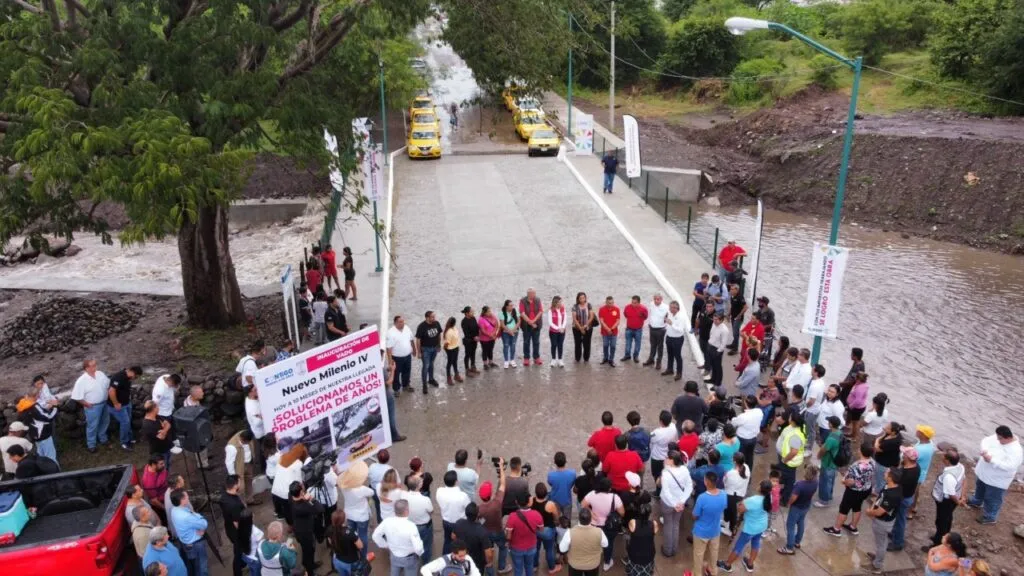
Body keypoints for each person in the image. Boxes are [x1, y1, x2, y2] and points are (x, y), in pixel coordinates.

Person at [967, 425, 1022, 524]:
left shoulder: (1016, 451)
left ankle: (990, 516)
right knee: (979, 488)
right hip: (984, 472)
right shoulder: (998, 437)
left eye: (1000, 438)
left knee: (992, 498)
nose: (997, 439)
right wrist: (984, 450)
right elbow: (985, 440)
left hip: (996, 480)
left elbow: (1010, 466)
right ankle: (977, 501)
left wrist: (991, 460)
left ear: (1008, 438)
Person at [824, 442, 876, 537]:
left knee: (844, 509)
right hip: (866, 489)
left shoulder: (856, 466)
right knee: (857, 507)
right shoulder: (872, 462)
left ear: (860, 451)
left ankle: (836, 529)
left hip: (854, 491)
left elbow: (851, 482)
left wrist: (844, 482)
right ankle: (853, 527)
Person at [718, 479, 770, 573]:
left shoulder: (752, 500)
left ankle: (727, 565)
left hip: (750, 528)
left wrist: (741, 503)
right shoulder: (769, 498)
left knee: (739, 546)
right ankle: (750, 564)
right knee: (756, 544)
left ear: (759, 488)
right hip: (762, 526)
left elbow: (740, 510)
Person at [581, 477, 624, 571]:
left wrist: (591, 512)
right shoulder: (614, 497)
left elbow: (583, 504)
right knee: (609, 544)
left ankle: (593, 558)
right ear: (609, 488)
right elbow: (622, 512)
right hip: (610, 526)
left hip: (594, 524)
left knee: (594, 541)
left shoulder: (592, 494)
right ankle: (607, 562)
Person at [864, 467, 902, 574]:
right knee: (880, 541)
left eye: (887, 473)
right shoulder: (889, 486)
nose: (884, 473)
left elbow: (881, 511)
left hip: (883, 523)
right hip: (880, 520)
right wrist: (872, 508)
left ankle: (877, 565)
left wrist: (869, 512)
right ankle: (877, 557)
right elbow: (879, 498)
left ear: (890, 478)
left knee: (882, 543)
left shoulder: (892, 495)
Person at [375, 499, 426, 576]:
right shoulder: (411, 526)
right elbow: (418, 548)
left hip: (394, 555)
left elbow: (375, 536)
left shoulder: (387, 521)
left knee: (394, 572)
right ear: (406, 511)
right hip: (409, 558)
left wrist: (385, 545)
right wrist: (420, 553)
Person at [70, 359, 111, 453]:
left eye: (95, 365)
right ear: (86, 368)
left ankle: (103, 439)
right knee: (92, 426)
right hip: (93, 407)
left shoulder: (100, 374)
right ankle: (91, 444)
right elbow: (76, 396)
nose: (95, 367)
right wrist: (86, 404)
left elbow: (108, 384)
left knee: (105, 421)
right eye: (92, 366)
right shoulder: (81, 381)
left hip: (104, 403)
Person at [658, 450, 692, 558]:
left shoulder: (666, 473)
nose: (666, 459)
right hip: (680, 503)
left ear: (672, 461)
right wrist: (681, 501)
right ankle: (674, 548)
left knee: (668, 525)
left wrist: (674, 504)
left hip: (668, 503)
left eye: (668, 458)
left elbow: (666, 491)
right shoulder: (685, 470)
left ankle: (668, 550)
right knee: (675, 525)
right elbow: (689, 487)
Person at [692, 471, 728, 576]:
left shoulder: (702, 498)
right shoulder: (723, 494)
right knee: (714, 554)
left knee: (698, 555)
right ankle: (712, 571)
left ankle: (697, 574)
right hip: (715, 531)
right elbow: (724, 507)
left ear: (706, 482)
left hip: (701, 532)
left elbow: (695, 516)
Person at [479, 459, 509, 575]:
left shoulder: (479, 509)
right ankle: (501, 567)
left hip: (486, 533)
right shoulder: (497, 503)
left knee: (488, 552)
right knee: (503, 547)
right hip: (498, 531)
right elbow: (503, 484)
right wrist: (501, 467)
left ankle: (489, 570)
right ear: (491, 494)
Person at [888, 446, 921, 552]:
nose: (902, 455)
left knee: (900, 521)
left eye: (904, 454)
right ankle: (894, 533)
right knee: (898, 519)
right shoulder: (916, 467)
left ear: (907, 457)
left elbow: (897, 483)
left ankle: (898, 543)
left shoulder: (906, 473)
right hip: (908, 496)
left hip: (903, 499)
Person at [170, 489, 209, 576]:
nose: (188, 497)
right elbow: (204, 524)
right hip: (196, 544)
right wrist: (198, 516)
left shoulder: (174, 510)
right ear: (182, 500)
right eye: (186, 496)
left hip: (186, 542)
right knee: (202, 567)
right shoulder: (186, 516)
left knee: (194, 566)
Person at [17, 384, 59, 464]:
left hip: (34, 434)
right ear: (36, 395)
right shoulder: (34, 407)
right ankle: (56, 474)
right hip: (43, 434)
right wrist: (55, 407)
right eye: (39, 394)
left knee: (41, 457)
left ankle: (44, 473)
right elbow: (48, 417)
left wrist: (45, 409)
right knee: (51, 458)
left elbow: (37, 415)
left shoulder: (22, 405)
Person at [340, 460, 374, 558]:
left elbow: (340, 476)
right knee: (362, 535)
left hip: (349, 514)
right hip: (362, 516)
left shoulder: (343, 486)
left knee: (352, 534)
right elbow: (372, 492)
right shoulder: (361, 489)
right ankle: (363, 555)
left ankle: (354, 551)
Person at [559, 507, 607, 576]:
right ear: (591, 519)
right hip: (593, 564)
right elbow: (605, 544)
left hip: (575, 565)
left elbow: (562, 549)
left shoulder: (570, 532)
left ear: (579, 519)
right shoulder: (599, 531)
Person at [290, 481, 324, 575]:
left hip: (299, 529)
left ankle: (309, 564)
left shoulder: (291, 497)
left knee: (307, 550)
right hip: (305, 533)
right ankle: (310, 571)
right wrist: (312, 499)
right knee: (308, 552)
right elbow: (320, 509)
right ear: (301, 492)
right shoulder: (303, 506)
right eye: (302, 487)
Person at [506, 492, 543, 576]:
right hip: (531, 546)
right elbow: (541, 529)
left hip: (516, 548)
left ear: (516, 502)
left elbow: (509, 535)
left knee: (518, 568)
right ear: (528, 502)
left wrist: (508, 543)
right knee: (529, 566)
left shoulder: (512, 516)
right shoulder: (537, 515)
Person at [107, 365, 141, 450]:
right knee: (125, 422)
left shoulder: (128, 378)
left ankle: (130, 438)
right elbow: (111, 391)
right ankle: (124, 442)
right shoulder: (118, 377)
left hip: (126, 403)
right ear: (132, 372)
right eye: (136, 376)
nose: (135, 378)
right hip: (118, 406)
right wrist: (116, 403)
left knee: (128, 421)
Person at [218, 475, 247, 576]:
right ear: (235, 485)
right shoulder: (234, 505)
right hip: (236, 532)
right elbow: (237, 523)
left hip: (229, 528)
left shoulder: (224, 495)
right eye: (239, 482)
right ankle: (237, 571)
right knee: (238, 552)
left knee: (238, 548)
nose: (240, 483)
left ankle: (243, 563)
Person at [438, 470, 472, 554]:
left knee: (447, 540)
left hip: (446, 521)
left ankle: (446, 558)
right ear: (456, 481)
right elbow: (468, 507)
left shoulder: (439, 491)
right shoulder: (462, 496)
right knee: (460, 543)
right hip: (459, 524)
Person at [453, 503, 492, 576]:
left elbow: (453, 536)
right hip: (477, 562)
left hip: (462, 557)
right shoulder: (482, 531)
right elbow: (488, 553)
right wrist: (489, 562)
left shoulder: (459, 523)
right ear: (477, 514)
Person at [530, 483, 561, 574]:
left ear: (536, 493)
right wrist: (557, 523)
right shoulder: (550, 504)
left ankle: (535, 566)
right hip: (547, 530)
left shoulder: (531, 500)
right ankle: (552, 568)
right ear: (546, 493)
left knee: (536, 548)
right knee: (549, 549)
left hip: (535, 529)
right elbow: (556, 517)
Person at [776, 410, 806, 504]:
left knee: (789, 480)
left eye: (790, 417)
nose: (788, 418)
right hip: (785, 458)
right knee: (785, 477)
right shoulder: (794, 426)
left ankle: (785, 498)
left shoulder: (795, 436)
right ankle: (784, 491)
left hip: (789, 461)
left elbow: (794, 452)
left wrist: (785, 460)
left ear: (793, 421)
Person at [624, 492, 657, 576]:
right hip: (649, 553)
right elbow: (655, 532)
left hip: (635, 553)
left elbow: (629, 529)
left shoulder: (633, 523)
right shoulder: (654, 524)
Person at [814, 416, 843, 508]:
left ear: (831, 424)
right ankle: (829, 495)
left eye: (829, 422)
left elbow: (823, 450)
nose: (828, 423)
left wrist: (818, 456)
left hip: (828, 463)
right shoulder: (839, 433)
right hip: (834, 462)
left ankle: (824, 501)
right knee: (831, 480)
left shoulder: (831, 439)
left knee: (824, 481)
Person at [909, 424, 936, 519]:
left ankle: (910, 510)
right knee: (916, 490)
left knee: (912, 491)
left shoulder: (920, 449)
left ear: (924, 435)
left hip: (916, 473)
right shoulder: (929, 443)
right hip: (922, 471)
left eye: (919, 431)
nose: (917, 431)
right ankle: (914, 505)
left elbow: (910, 458)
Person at [649, 411, 677, 498]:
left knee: (657, 475)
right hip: (668, 456)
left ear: (661, 421)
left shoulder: (657, 432)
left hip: (657, 457)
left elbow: (651, 440)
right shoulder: (673, 427)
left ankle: (658, 491)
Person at [873, 422, 906, 495]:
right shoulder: (894, 434)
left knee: (881, 479)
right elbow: (883, 437)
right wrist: (882, 436)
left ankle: (878, 492)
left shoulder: (893, 442)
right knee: (880, 478)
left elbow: (877, 448)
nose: (884, 427)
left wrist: (877, 440)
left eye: (887, 428)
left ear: (893, 432)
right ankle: (877, 488)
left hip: (884, 464)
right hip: (888, 460)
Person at [722, 452, 750, 536]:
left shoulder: (731, 473)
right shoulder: (746, 468)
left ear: (734, 462)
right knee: (731, 510)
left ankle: (730, 530)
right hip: (740, 494)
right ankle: (725, 522)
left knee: (731, 511)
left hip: (731, 495)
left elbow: (725, 482)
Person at [225, 429, 256, 504]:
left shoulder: (248, 435)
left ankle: (249, 499)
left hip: (248, 464)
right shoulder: (232, 446)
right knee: (240, 488)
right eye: (245, 443)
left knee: (249, 481)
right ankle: (242, 505)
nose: (247, 444)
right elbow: (229, 462)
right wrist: (233, 475)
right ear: (242, 439)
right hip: (239, 468)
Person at [730, 396, 761, 468]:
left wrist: (733, 417)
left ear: (746, 404)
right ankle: (748, 472)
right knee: (750, 456)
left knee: (740, 457)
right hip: (753, 438)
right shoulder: (759, 412)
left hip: (742, 439)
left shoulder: (743, 416)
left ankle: (740, 472)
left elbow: (734, 423)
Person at [388, 316, 416, 394]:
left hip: (407, 356)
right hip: (397, 358)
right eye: (400, 322)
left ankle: (406, 385)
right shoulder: (390, 332)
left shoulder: (407, 328)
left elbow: (411, 340)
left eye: (403, 321)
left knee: (407, 371)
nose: (402, 323)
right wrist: (390, 361)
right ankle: (396, 389)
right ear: (395, 323)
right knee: (396, 374)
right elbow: (389, 348)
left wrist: (414, 350)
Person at [416, 310, 443, 391]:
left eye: (434, 316)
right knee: (426, 366)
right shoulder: (421, 326)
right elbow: (418, 339)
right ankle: (424, 384)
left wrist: (439, 345)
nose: (434, 318)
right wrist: (419, 352)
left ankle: (431, 379)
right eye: (432, 317)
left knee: (431, 364)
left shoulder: (436, 323)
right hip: (425, 349)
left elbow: (439, 334)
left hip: (434, 348)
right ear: (427, 318)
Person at [519, 288, 545, 366]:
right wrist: (530, 322)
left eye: (534, 293)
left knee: (536, 342)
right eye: (532, 293)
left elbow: (540, 311)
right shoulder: (522, 301)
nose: (534, 295)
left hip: (536, 324)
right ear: (528, 294)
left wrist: (534, 321)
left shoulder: (537, 300)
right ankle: (526, 358)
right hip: (526, 325)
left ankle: (536, 357)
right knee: (526, 342)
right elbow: (522, 313)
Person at [643, 294, 669, 369]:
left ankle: (659, 362)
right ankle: (651, 359)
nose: (656, 301)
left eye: (658, 299)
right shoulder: (651, 304)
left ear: (661, 299)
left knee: (660, 346)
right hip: (652, 328)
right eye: (655, 299)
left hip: (661, 329)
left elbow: (669, 316)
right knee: (653, 345)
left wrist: (665, 324)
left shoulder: (666, 307)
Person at [662, 301, 687, 381]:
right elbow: (667, 323)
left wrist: (671, 324)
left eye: (673, 307)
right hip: (669, 337)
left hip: (677, 339)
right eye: (670, 307)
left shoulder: (681, 317)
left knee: (677, 356)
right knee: (670, 355)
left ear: (677, 308)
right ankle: (670, 369)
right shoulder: (669, 313)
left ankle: (679, 373)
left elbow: (680, 330)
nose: (671, 309)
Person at [803, 364, 826, 450]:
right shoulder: (820, 381)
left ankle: (809, 448)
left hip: (811, 410)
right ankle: (807, 442)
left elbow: (812, 401)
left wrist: (804, 406)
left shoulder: (815, 385)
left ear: (816, 372)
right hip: (815, 409)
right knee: (809, 427)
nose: (811, 369)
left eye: (813, 369)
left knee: (810, 429)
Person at [547, 452, 577, 518]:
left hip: (555, 501)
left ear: (555, 462)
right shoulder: (572, 473)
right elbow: (572, 484)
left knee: (556, 521)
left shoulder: (551, 475)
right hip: (567, 501)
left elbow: (551, 484)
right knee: (567, 522)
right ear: (565, 461)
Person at [235, 509, 263, 576]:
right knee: (257, 573)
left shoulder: (240, 529)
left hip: (245, 556)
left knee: (252, 570)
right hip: (254, 558)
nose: (253, 516)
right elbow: (261, 544)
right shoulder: (256, 532)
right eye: (252, 516)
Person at [620, 296, 648, 364]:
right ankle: (627, 355)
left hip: (638, 329)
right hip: (629, 328)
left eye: (635, 303)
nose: (633, 304)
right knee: (628, 343)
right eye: (632, 302)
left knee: (637, 343)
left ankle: (636, 356)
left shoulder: (643, 309)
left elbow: (645, 317)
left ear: (639, 303)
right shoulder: (627, 307)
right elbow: (625, 315)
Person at [571, 292, 596, 363]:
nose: (582, 299)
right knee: (578, 343)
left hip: (588, 327)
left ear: (585, 298)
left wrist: (585, 325)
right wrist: (580, 328)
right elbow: (574, 319)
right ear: (578, 299)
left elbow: (591, 317)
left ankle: (586, 358)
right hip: (576, 328)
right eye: (580, 298)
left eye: (583, 298)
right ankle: (577, 358)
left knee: (587, 343)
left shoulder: (589, 305)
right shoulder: (575, 306)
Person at [707, 313, 731, 386]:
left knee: (718, 367)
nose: (714, 321)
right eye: (714, 319)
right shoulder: (714, 324)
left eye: (716, 320)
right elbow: (711, 334)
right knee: (713, 365)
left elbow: (723, 343)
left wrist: (718, 352)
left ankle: (718, 383)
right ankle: (713, 379)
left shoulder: (724, 330)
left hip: (717, 350)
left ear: (721, 320)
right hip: (711, 347)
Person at [597, 296, 620, 367]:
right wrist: (607, 329)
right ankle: (605, 358)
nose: (611, 304)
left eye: (612, 303)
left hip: (614, 332)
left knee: (613, 346)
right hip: (605, 332)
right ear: (606, 302)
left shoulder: (617, 309)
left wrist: (612, 329)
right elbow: (601, 321)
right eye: (609, 303)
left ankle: (611, 359)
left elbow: (618, 321)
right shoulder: (601, 309)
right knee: (605, 345)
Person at [847, 372, 871, 440]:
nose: (854, 379)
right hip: (860, 407)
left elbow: (858, 400)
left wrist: (851, 405)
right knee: (854, 422)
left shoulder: (860, 388)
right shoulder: (864, 385)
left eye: (856, 378)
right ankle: (852, 434)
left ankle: (854, 437)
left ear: (859, 379)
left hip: (857, 408)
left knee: (855, 423)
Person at [546, 296, 568, 367]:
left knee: (560, 345)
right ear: (555, 302)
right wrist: (558, 328)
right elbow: (550, 322)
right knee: (554, 344)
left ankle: (560, 360)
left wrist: (563, 327)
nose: (561, 303)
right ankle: (553, 359)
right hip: (553, 331)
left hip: (562, 331)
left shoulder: (563, 308)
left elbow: (565, 319)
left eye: (561, 302)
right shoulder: (550, 310)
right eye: (560, 302)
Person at [726, 284, 747, 354]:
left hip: (738, 318)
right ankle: (733, 344)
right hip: (733, 317)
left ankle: (735, 349)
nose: (730, 290)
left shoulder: (740, 297)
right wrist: (729, 314)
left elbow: (746, 307)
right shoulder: (732, 296)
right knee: (734, 332)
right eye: (730, 289)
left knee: (736, 333)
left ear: (737, 290)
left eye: (732, 289)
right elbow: (732, 306)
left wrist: (739, 315)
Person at [443, 317, 464, 385]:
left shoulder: (454, 328)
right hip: (450, 349)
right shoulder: (449, 332)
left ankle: (456, 375)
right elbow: (446, 343)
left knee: (455, 361)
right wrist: (446, 349)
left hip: (455, 347)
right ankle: (449, 378)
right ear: (454, 323)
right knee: (449, 363)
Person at [500, 300, 521, 369]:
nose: (512, 307)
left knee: (513, 345)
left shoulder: (515, 311)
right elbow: (502, 324)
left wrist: (514, 330)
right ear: (506, 306)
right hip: (505, 332)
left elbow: (519, 321)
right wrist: (509, 331)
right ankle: (506, 361)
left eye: (512, 305)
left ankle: (512, 360)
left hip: (515, 332)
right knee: (506, 345)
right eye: (510, 305)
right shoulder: (502, 313)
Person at [461, 306, 481, 376]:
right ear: (467, 313)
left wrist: (478, 335)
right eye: (471, 312)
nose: (473, 312)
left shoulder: (473, 318)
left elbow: (477, 328)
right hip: (468, 341)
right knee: (467, 355)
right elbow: (466, 333)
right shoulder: (464, 321)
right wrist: (474, 337)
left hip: (474, 340)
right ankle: (467, 370)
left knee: (473, 354)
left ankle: (473, 367)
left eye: (473, 311)